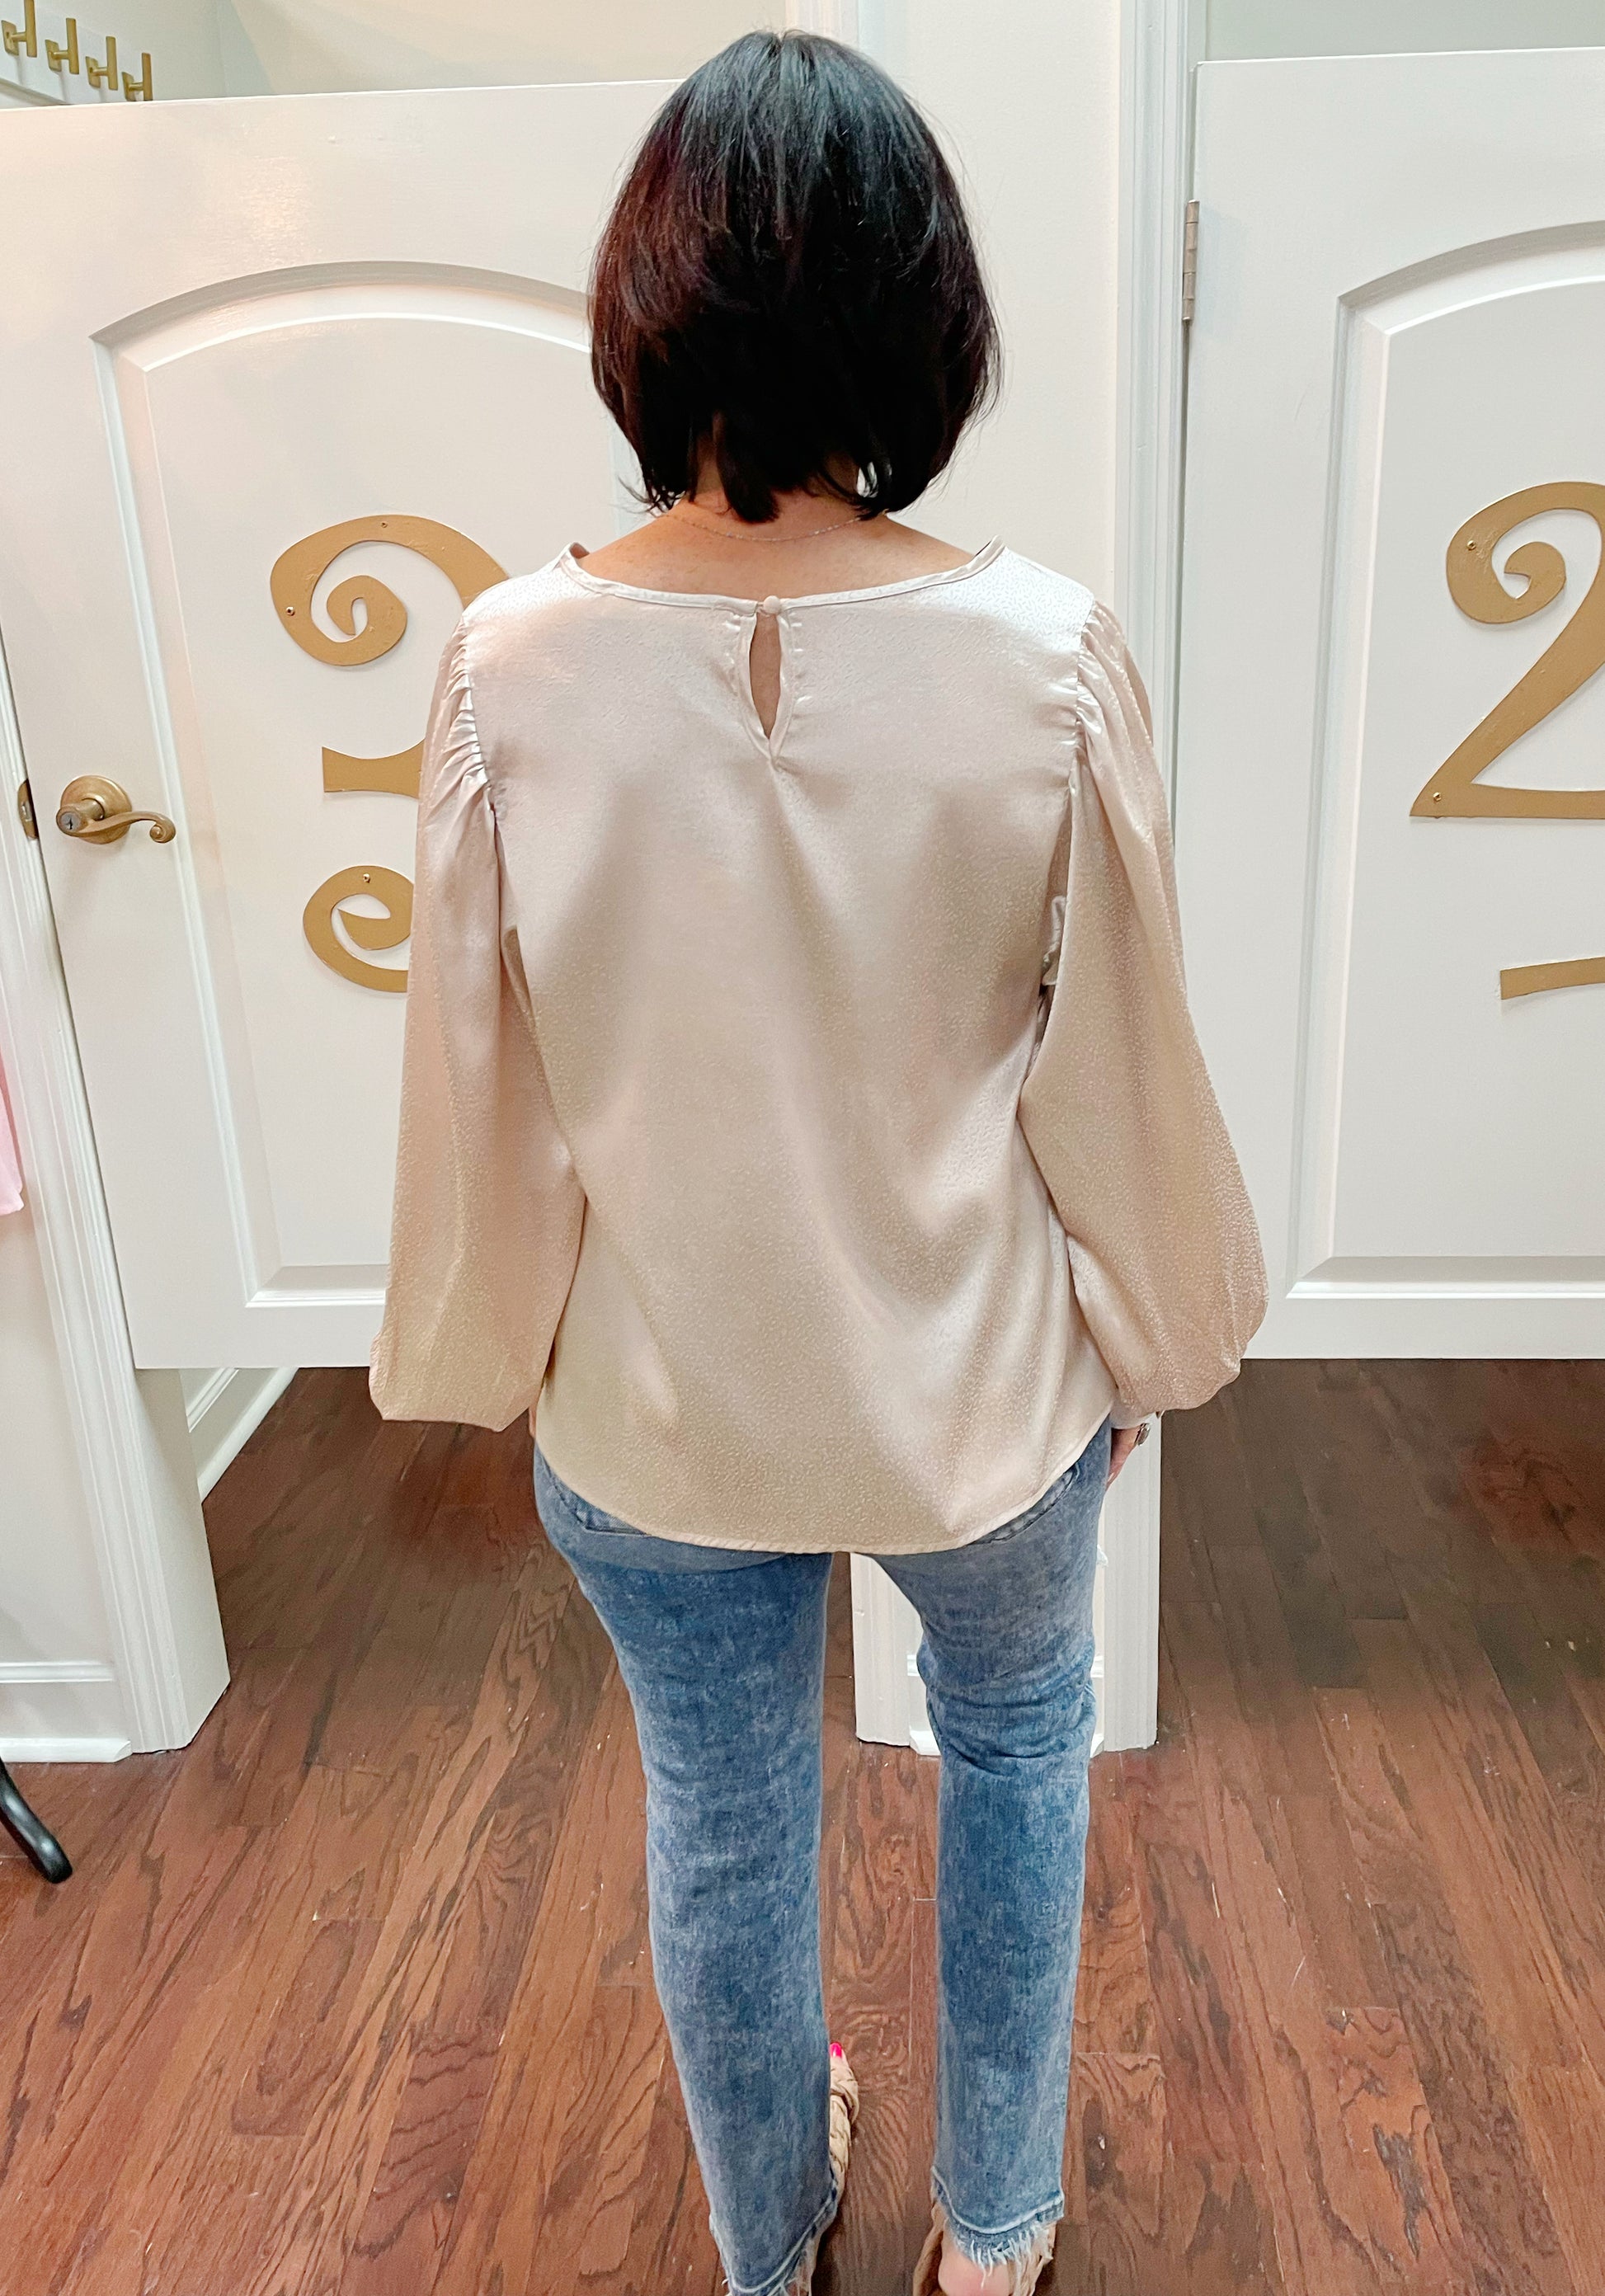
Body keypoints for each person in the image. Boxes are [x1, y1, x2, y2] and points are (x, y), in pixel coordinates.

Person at [370, 28, 1265, 2296]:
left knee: (723, 1814)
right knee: (1018, 1758)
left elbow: (478, 1081)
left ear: (641, 309)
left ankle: (768, 2248)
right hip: (979, 1394)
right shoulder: (1044, 656)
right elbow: (1119, 1065)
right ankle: (998, 2233)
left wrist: (488, 1350)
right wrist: (1150, 1334)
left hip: (657, 1402)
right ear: (924, 312)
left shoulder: (505, 666)